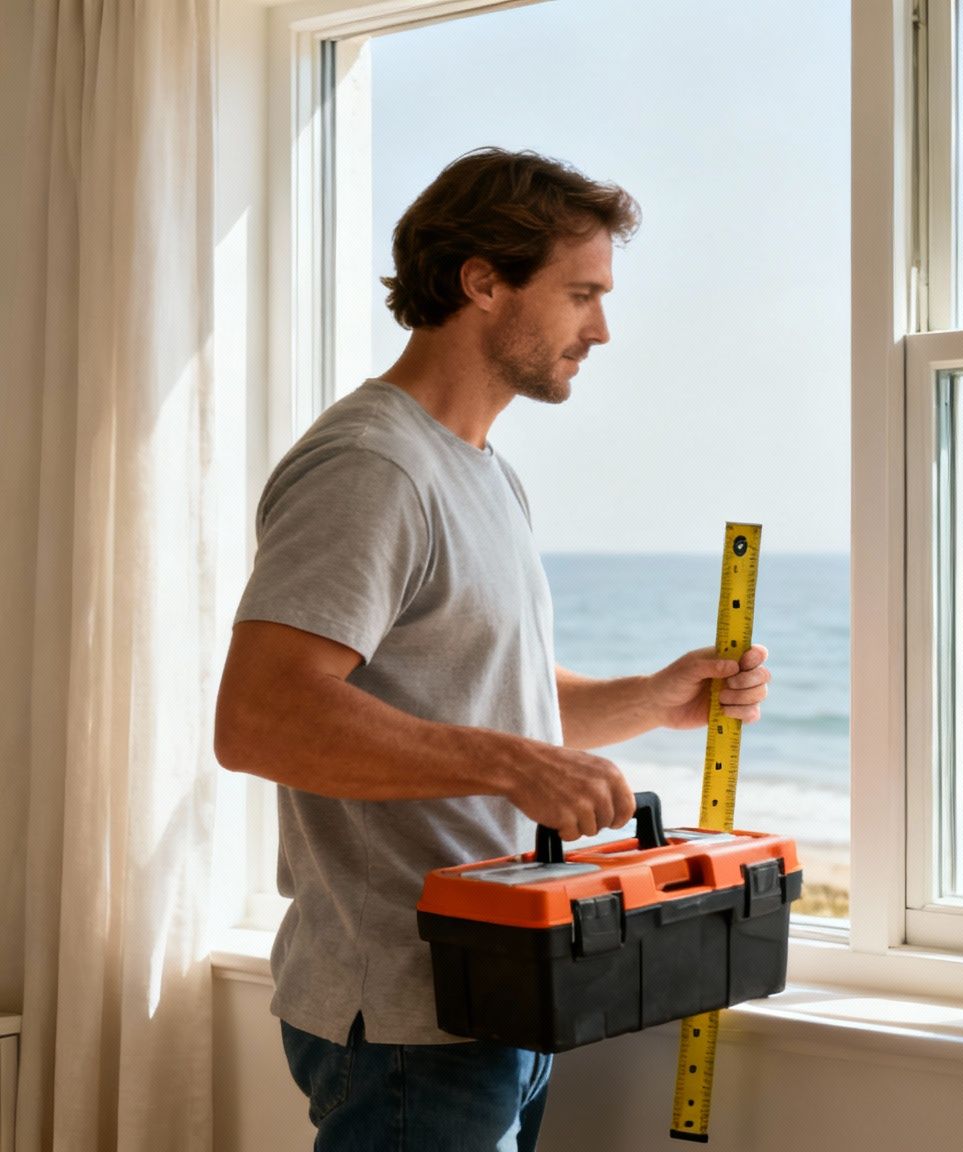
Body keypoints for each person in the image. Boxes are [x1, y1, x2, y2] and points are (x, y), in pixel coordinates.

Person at [213, 147, 771, 1150]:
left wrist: (652, 698)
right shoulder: (370, 468)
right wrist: (512, 766)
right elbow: (262, 718)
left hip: (492, 989)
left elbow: (476, 696)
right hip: (403, 1013)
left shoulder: (482, 473)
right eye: (580, 295)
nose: (600, 329)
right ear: (481, 280)